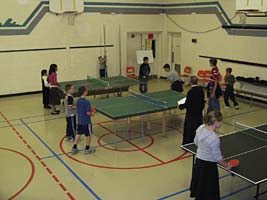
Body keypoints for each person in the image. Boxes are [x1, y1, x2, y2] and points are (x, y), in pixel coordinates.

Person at [190, 111, 231, 200]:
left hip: (199, 161)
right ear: (216, 123)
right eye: (221, 121)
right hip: (209, 166)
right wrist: (227, 165)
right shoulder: (214, 138)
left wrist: (205, 149)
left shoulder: (200, 128)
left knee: (200, 187)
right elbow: (217, 158)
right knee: (209, 190)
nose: (222, 123)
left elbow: (196, 142)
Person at [179, 76, 205, 144]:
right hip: (199, 114)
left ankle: (188, 143)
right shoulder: (201, 91)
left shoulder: (190, 92)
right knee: (198, 129)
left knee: (189, 130)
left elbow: (188, 103)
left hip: (191, 115)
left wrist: (180, 106)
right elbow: (202, 102)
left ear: (190, 82)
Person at [72, 86, 96, 154]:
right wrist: (93, 113)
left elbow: (79, 108)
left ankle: (74, 147)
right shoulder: (87, 102)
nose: (87, 91)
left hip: (80, 121)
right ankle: (87, 149)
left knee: (78, 134)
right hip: (86, 122)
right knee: (88, 134)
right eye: (87, 90)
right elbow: (88, 113)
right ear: (84, 92)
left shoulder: (78, 101)